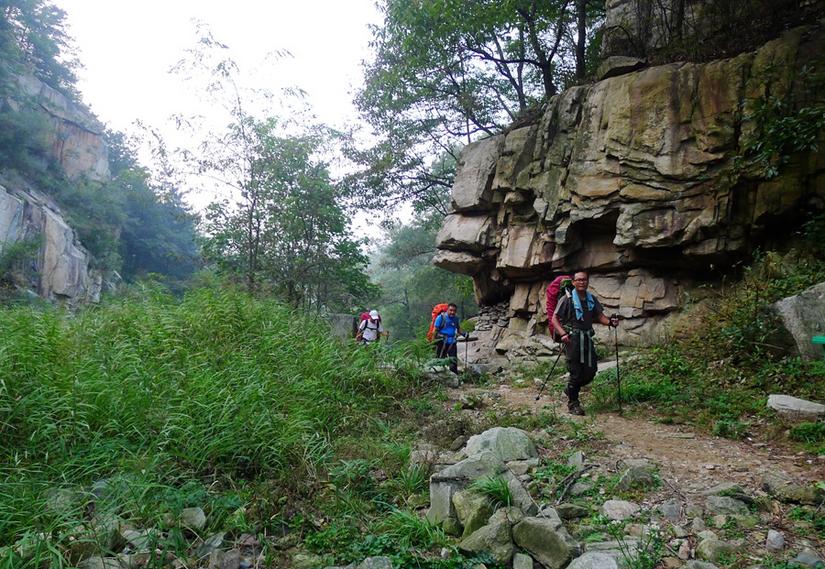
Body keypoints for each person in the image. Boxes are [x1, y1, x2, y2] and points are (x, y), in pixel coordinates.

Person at [550, 270, 619, 415]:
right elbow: (554, 319)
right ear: (574, 282)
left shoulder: (591, 299)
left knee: (591, 371)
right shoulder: (567, 299)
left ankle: (570, 388)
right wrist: (562, 334)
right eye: (579, 280)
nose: (582, 282)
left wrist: (611, 323)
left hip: (587, 338)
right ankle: (573, 404)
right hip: (572, 339)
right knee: (575, 372)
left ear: (587, 282)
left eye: (584, 280)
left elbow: (599, 316)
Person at [433, 303, 464, 374]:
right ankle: (439, 376)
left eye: (454, 311)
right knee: (440, 360)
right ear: (447, 310)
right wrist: (434, 342)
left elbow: (458, 329)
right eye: (451, 310)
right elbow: (435, 331)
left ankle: (454, 376)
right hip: (441, 342)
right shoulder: (441, 317)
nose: (452, 312)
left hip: (452, 342)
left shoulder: (456, 319)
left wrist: (464, 334)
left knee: (453, 360)